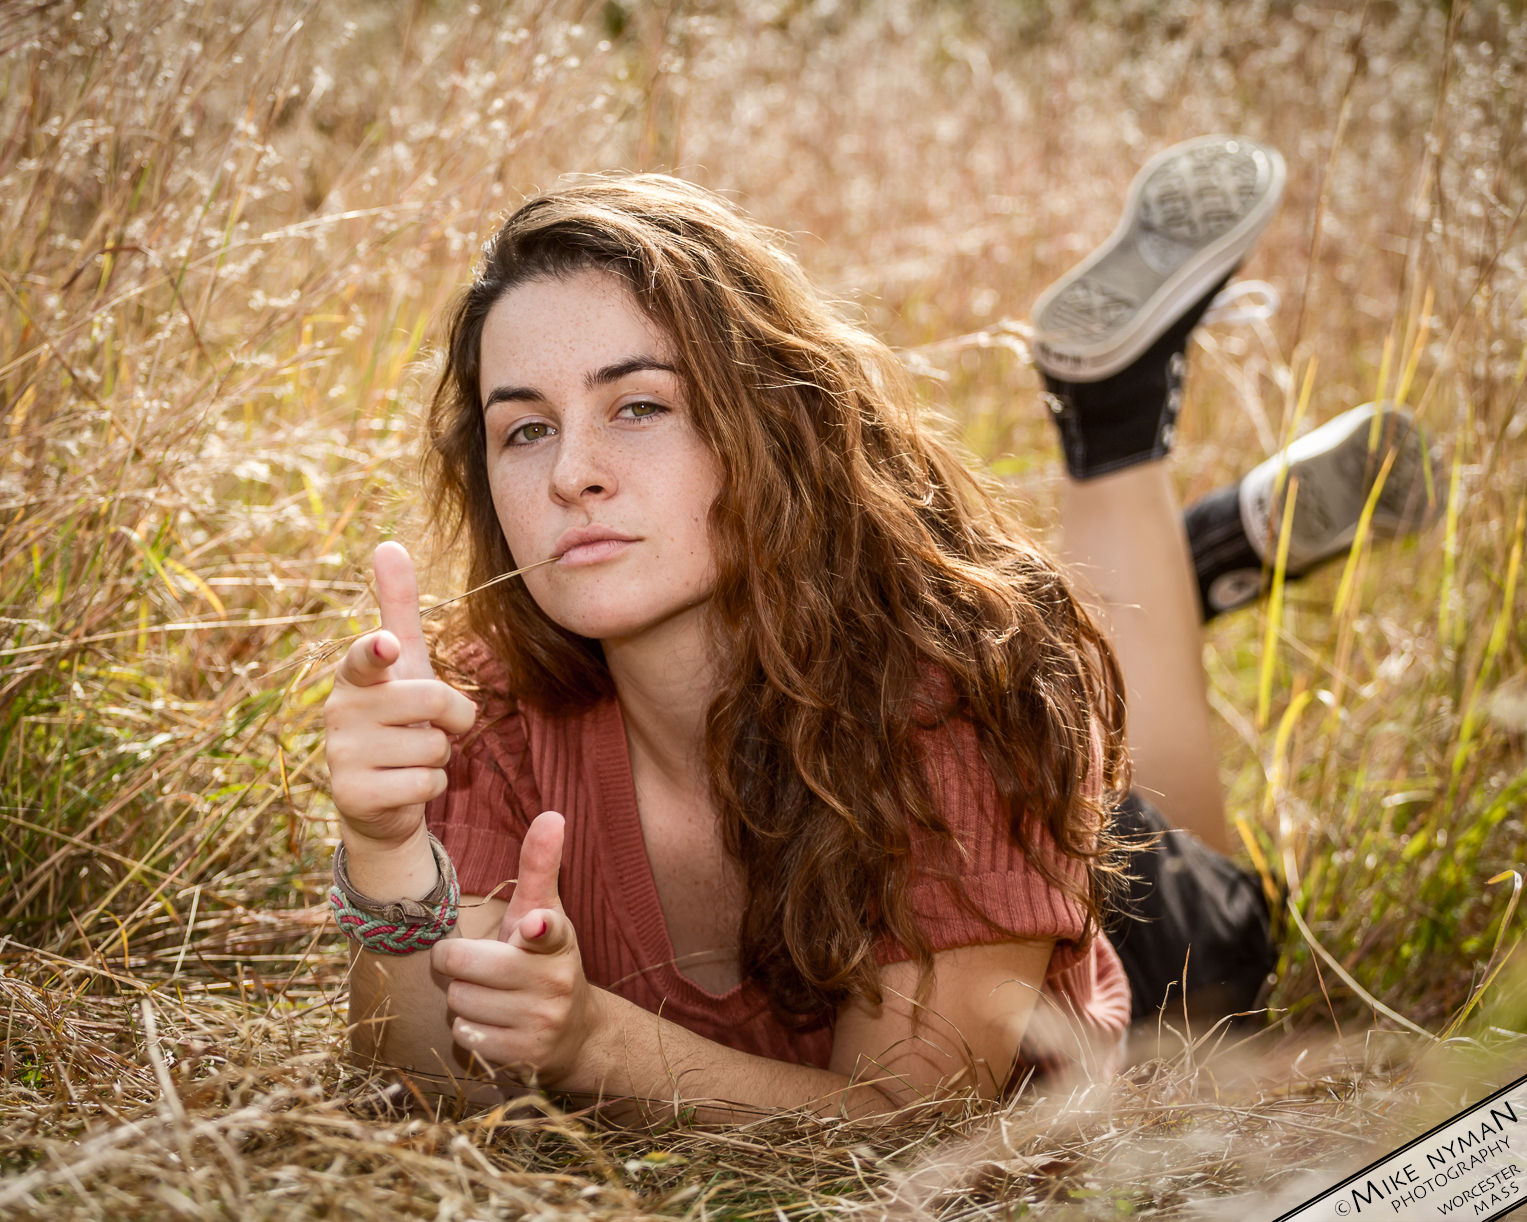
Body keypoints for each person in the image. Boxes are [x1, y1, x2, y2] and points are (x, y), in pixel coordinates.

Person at [321, 136, 1435, 1120]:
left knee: (1186, 853)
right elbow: (421, 1083)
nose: (571, 475)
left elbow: (913, 1119)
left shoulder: (965, 696)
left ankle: (1117, 418)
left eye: (640, 406)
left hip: (1122, 905)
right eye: (523, 430)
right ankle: (1206, 553)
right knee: (1087, 643)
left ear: (772, 425)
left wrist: (595, 1044)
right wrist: (383, 848)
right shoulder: (484, 705)